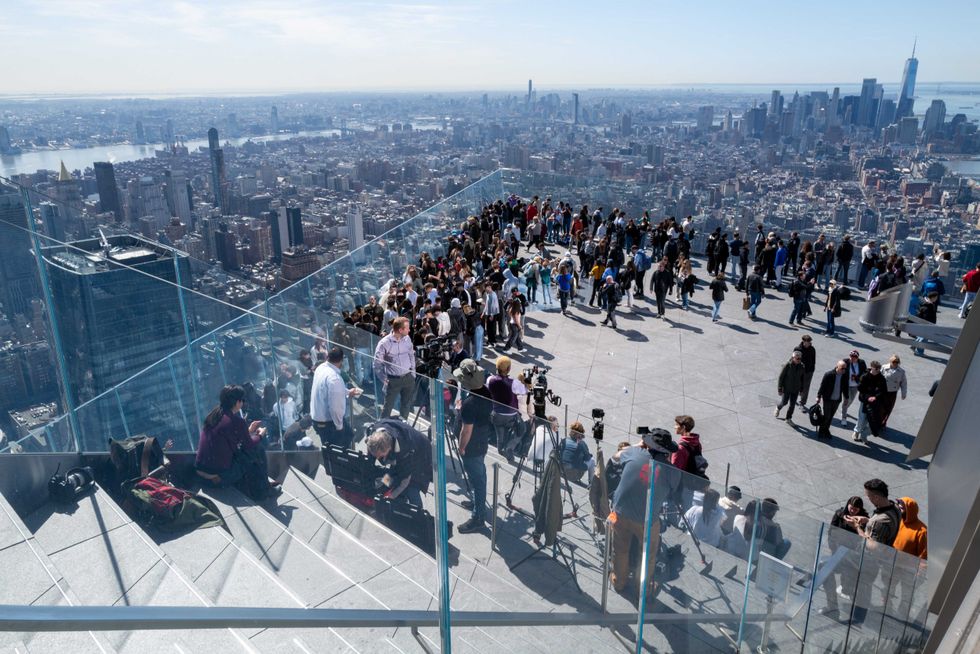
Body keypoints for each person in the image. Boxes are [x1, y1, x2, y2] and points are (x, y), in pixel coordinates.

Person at [608, 430, 676, 596]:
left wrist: (637, 445)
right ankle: (642, 590)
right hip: (646, 520)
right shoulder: (672, 471)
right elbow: (673, 492)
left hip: (621, 513)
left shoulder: (634, 452)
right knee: (648, 555)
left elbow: (615, 457)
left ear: (648, 444)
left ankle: (619, 582)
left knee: (621, 549)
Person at [195, 385, 277, 499]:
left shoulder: (214, 414)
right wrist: (260, 435)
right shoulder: (235, 421)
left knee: (246, 453)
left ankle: (264, 484)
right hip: (219, 477)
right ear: (238, 402)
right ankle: (263, 491)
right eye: (242, 400)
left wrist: (247, 431)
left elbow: (228, 438)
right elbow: (249, 445)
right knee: (257, 450)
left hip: (201, 471)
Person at [846, 478, 902, 624]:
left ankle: (856, 619)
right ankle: (857, 617)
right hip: (875, 561)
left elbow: (874, 546)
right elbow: (878, 525)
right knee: (863, 589)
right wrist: (867, 520)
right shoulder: (894, 509)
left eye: (869, 496)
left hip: (870, 561)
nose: (868, 499)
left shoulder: (881, 520)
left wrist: (856, 527)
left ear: (877, 497)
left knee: (862, 590)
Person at [453, 359, 492, 534]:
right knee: (478, 477)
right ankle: (477, 503)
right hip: (482, 441)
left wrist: (461, 448)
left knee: (478, 480)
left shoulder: (469, 404)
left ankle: (478, 518)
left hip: (473, 446)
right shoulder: (486, 392)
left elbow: (466, 430)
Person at [366, 420, 432, 508]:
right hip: (402, 449)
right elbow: (372, 453)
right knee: (390, 479)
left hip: (421, 453)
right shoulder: (374, 434)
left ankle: (418, 513)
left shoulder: (404, 451)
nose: (378, 458)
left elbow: (404, 479)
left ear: (389, 449)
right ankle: (393, 499)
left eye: (380, 456)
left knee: (412, 487)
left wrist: (391, 496)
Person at [311, 347, 360, 448]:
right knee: (337, 451)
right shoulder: (334, 378)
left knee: (349, 435)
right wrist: (339, 428)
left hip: (318, 419)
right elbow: (335, 408)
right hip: (328, 423)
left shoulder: (320, 368)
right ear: (341, 360)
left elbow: (326, 390)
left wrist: (346, 392)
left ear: (327, 357)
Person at [374, 317, 417, 420]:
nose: (409, 330)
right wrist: (384, 379)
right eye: (407, 328)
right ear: (400, 330)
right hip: (393, 380)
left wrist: (413, 373)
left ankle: (403, 425)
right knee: (388, 407)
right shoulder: (384, 343)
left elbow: (411, 355)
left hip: (408, 378)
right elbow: (377, 364)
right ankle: (383, 428)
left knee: (406, 404)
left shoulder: (407, 338)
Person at [487, 356, 523, 461]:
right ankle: (509, 447)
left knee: (499, 434)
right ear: (508, 369)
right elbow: (523, 391)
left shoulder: (490, 379)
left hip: (496, 413)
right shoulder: (514, 382)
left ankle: (500, 450)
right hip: (511, 414)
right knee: (522, 429)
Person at [853, 361, 888, 443]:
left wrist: (875, 397)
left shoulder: (881, 378)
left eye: (879, 369)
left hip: (875, 403)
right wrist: (868, 397)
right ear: (871, 367)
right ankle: (856, 432)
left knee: (872, 421)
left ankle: (864, 435)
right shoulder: (865, 376)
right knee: (862, 418)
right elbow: (860, 389)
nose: (878, 371)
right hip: (865, 401)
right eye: (876, 369)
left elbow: (883, 391)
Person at [815, 360, 849, 439]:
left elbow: (845, 388)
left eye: (845, 369)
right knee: (826, 416)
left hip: (837, 400)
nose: (844, 370)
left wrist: (846, 397)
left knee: (831, 417)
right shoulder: (829, 375)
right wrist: (818, 396)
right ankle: (821, 431)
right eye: (842, 368)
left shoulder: (844, 376)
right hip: (828, 399)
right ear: (837, 367)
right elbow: (822, 386)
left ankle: (826, 430)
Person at [774, 350, 805, 425]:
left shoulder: (802, 366)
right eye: (797, 359)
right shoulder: (787, 365)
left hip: (796, 389)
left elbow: (802, 378)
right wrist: (779, 389)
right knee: (784, 402)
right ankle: (778, 408)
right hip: (787, 388)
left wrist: (801, 390)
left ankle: (788, 418)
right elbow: (781, 377)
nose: (799, 360)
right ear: (793, 357)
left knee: (792, 405)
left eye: (800, 359)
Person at [880, 355, 908, 431]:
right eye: (894, 362)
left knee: (888, 409)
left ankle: (883, 423)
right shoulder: (884, 367)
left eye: (897, 362)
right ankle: (877, 422)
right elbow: (878, 377)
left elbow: (904, 383)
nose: (895, 363)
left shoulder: (901, 372)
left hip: (892, 393)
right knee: (880, 408)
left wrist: (903, 394)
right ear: (890, 361)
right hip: (883, 391)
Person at [840, 350, 867, 425]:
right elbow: (839, 369)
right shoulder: (845, 361)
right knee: (846, 400)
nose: (853, 358)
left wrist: (857, 377)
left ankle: (843, 409)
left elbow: (864, 373)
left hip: (855, 385)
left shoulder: (861, 363)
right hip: (846, 385)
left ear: (858, 357)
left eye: (855, 357)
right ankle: (844, 417)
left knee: (851, 400)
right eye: (851, 356)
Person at [796, 336, 817, 408]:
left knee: (806, 388)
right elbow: (794, 360)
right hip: (799, 371)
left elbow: (814, 360)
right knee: (796, 385)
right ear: (803, 341)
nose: (808, 343)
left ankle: (802, 403)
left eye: (809, 342)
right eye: (807, 342)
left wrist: (812, 369)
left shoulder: (812, 349)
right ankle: (793, 397)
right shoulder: (798, 349)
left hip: (809, 371)